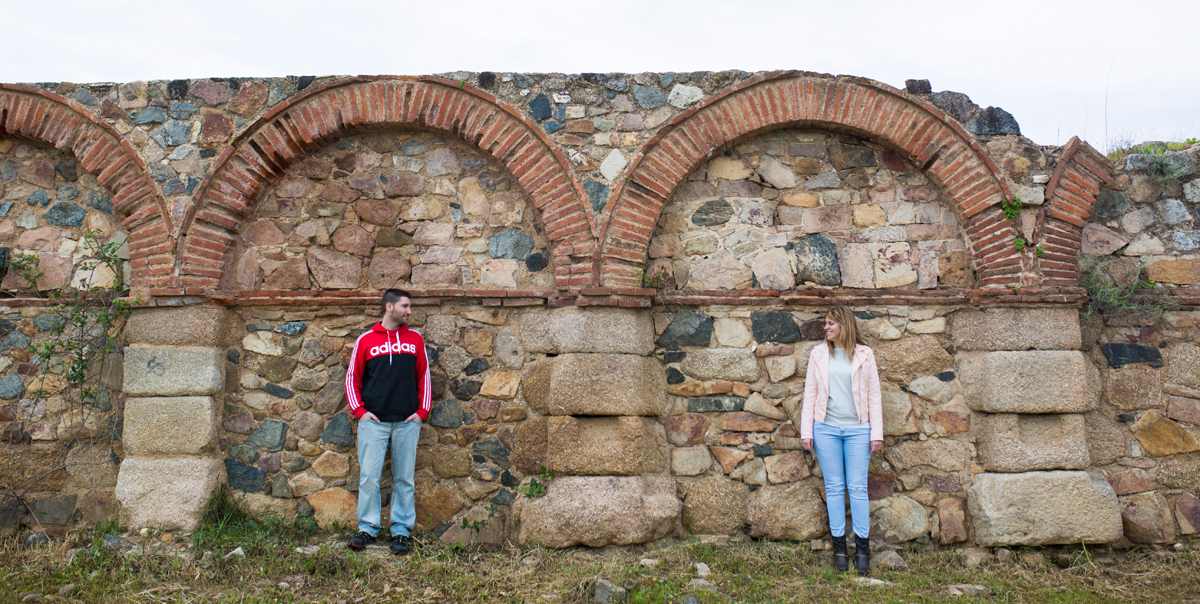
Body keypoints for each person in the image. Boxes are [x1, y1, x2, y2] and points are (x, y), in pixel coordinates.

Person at [344, 289, 431, 555]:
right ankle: (368, 528)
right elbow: (352, 379)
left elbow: (424, 377)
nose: (409, 311)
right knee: (369, 477)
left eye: (410, 307)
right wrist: (360, 412)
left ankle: (401, 531)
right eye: (405, 306)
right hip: (374, 421)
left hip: (407, 422)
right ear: (389, 307)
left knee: (404, 478)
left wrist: (421, 413)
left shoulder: (415, 339)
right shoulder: (366, 340)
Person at [800, 306, 883, 575]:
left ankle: (862, 551)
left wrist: (876, 433)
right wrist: (807, 431)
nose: (825, 328)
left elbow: (874, 395)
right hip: (826, 429)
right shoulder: (818, 354)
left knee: (857, 488)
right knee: (835, 487)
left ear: (844, 325)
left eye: (830, 323)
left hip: (859, 429)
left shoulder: (864, 354)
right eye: (825, 323)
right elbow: (810, 393)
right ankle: (838, 550)